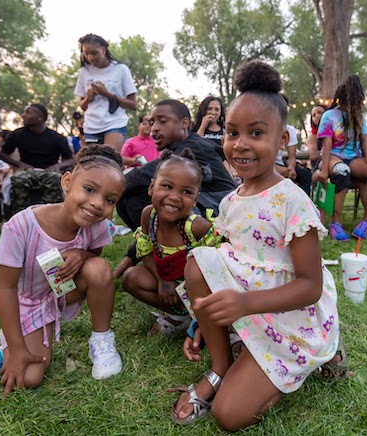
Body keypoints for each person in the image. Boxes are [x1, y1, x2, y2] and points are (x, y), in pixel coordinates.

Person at [171, 60, 342, 431]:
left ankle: (301, 364)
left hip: (292, 317)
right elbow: (237, 263)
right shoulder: (232, 201)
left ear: (282, 140)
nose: (241, 144)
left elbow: (310, 287)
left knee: (228, 416)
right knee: (201, 261)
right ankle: (221, 365)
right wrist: (204, 322)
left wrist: (242, 304)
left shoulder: (293, 202)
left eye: (256, 133)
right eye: (232, 133)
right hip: (251, 303)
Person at [0, 145, 126, 394]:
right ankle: (7, 348)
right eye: (89, 189)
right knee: (30, 378)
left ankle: (102, 339)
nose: (97, 204)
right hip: (29, 302)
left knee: (99, 269)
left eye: (109, 200)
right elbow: (6, 288)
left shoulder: (96, 225)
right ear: (67, 182)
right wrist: (18, 348)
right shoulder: (19, 227)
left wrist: (81, 254)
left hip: (63, 293)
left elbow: (94, 257)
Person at [113, 99, 236, 278]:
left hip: (218, 221)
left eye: (162, 121)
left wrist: (99, 196)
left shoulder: (190, 148)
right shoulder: (181, 147)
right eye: (152, 122)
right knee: (131, 201)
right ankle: (160, 255)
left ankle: (174, 265)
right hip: (203, 210)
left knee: (141, 200)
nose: (154, 127)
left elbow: (137, 178)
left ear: (184, 123)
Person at [121, 149, 218, 335]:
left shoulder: (197, 227)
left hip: (203, 291)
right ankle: (180, 316)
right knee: (131, 277)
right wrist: (163, 280)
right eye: (167, 186)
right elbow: (146, 249)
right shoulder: (149, 216)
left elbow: (219, 270)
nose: (174, 197)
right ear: (151, 187)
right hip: (172, 288)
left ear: (195, 199)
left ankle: (206, 321)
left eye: (186, 191)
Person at [315, 75, 367, 241]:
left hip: (355, 157)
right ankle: (336, 223)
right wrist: (324, 170)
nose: (355, 105)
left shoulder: (359, 116)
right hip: (333, 156)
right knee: (342, 171)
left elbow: (365, 140)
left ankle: (365, 222)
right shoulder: (329, 115)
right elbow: (326, 145)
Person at [0, 104, 75, 214]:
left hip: (48, 171)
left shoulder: (56, 138)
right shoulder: (18, 134)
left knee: (56, 179)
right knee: (19, 179)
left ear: (40, 117)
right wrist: (19, 164)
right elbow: (2, 154)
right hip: (27, 171)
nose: (23, 115)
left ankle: (48, 214)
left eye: (28, 113)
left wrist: (57, 166)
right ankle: (20, 215)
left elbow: (71, 160)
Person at [75, 34, 137, 152]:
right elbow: (83, 106)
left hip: (114, 123)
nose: (90, 57)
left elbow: (133, 104)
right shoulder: (84, 72)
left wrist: (107, 94)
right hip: (91, 125)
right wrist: (88, 98)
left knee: (110, 160)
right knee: (91, 164)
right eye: (86, 53)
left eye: (94, 53)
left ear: (103, 50)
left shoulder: (120, 69)